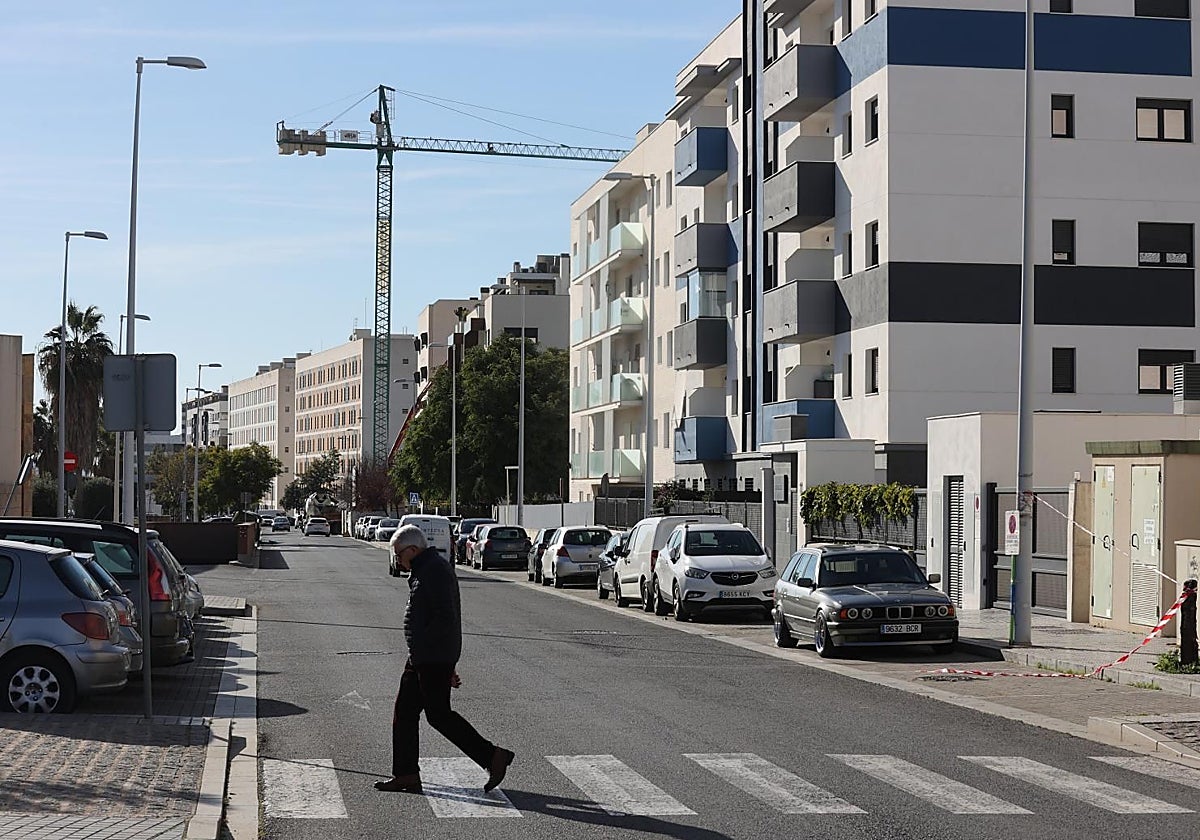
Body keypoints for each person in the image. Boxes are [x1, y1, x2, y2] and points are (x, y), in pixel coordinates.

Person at [375, 525, 515, 794]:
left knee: (438, 716)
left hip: (430, 657)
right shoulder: (424, 570)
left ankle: (493, 756)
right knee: (404, 713)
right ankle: (406, 774)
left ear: (412, 550)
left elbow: (445, 618)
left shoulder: (434, 571)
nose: (397, 560)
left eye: (398, 554)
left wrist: (444, 663)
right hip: (423, 656)